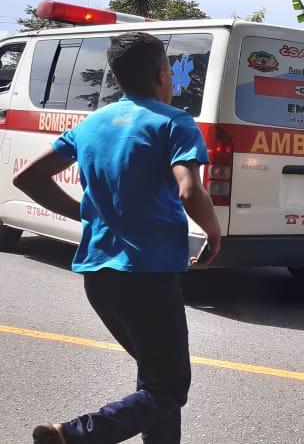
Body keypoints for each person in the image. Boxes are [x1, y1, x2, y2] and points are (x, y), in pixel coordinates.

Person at [16, 32, 222, 444]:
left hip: (99, 276)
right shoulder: (174, 122)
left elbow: (28, 177)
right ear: (164, 73)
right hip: (148, 275)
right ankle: (73, 435)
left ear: (115, 75)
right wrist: (213, 233)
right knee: (169, 386)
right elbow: (189, 189)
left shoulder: (93, 123)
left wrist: (84, 212)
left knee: (156, 381)